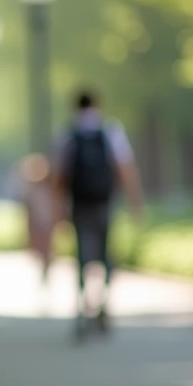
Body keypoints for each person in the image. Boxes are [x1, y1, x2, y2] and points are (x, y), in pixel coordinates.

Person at [52, 89, 143, 338]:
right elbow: (124, 167)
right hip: (104, 203)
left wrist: (57, 208)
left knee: (83, 254)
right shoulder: (110, 131)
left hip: (79, 204)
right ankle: (104, 303)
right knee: (105, 254)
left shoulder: (68, 134)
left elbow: (60, 176)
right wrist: (135, 201)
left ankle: (83, 308)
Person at [19, 154, 56, 283]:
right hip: (39, 224)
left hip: (46, 223)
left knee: (47, 249)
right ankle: (44, 269)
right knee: (40, 249)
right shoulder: (34, 191)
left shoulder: (49, 190)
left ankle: (46, 270)